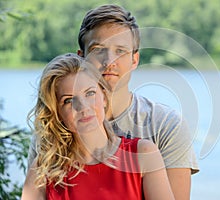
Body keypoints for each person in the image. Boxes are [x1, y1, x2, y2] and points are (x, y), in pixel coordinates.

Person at [27, 4, 199, 199]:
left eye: (120, 51)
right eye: (98, 49)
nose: (109, 61)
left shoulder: (167, 126)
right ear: (81, 57)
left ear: (135, 60)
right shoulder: (54, 132)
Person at [22, 53, 175, 200]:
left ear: (104, 97)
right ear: (56, 112)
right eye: (68, 101)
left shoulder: (143, 154)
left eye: (90, 93)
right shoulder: (43, 169)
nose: (83, 107)